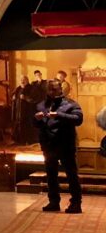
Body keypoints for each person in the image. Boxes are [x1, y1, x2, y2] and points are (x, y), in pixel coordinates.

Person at [34, 78, 84, 214]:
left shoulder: (70, 104)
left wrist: (59, 115)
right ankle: (54, 202)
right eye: (50, 89)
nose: (52, 92)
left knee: (71, 175)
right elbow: (36, 124)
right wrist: (36, 119)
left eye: (55, 89)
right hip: (49, 145)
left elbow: (78, 119)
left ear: (60, 89)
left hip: (65, 145)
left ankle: (76, 203)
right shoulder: (41, 105)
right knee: (51, 175)